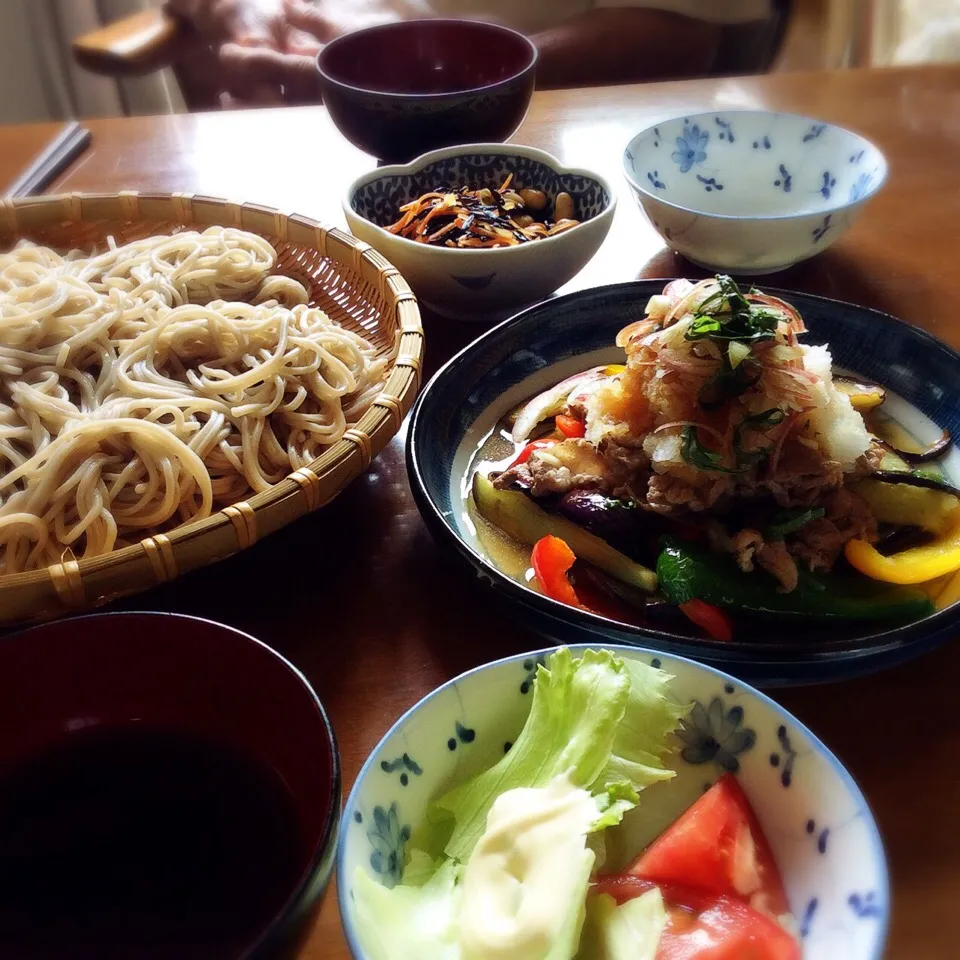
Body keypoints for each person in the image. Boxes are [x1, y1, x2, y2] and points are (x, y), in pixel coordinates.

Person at [166, 0, 777, 104]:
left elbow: (684, 31)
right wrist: (239, 13)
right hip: (294, 119)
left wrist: (461, 79)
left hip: (539, 117)